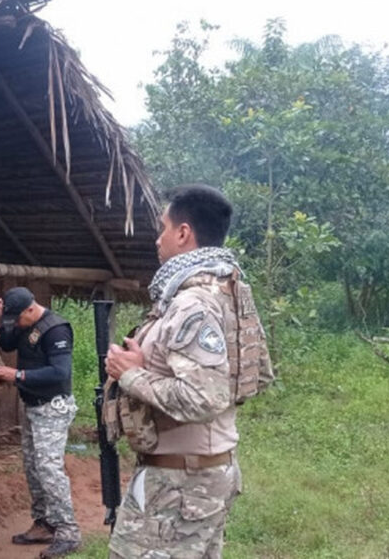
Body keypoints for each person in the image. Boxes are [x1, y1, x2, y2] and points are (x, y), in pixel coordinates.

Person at [105, 184, 271, 558]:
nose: (157, 238)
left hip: (180, 482)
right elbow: (243, 377)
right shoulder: (226, 291)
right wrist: (148, 363)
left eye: (163, 227)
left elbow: (205, 397)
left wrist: (130, 375)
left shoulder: (191, 303)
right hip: (203, 473)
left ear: (183, 233)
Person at [0, 287, 81, 558]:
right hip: (32, 407)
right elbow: (7, 343)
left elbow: (59, 372)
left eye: (17, 319)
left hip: (53, 407)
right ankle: (43, 524)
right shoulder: (24, 322)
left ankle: (68, 531)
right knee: (33, 467)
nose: (15, 324)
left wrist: (18, 375)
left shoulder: (56, 330)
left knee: (49, 469)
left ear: (31, 309)